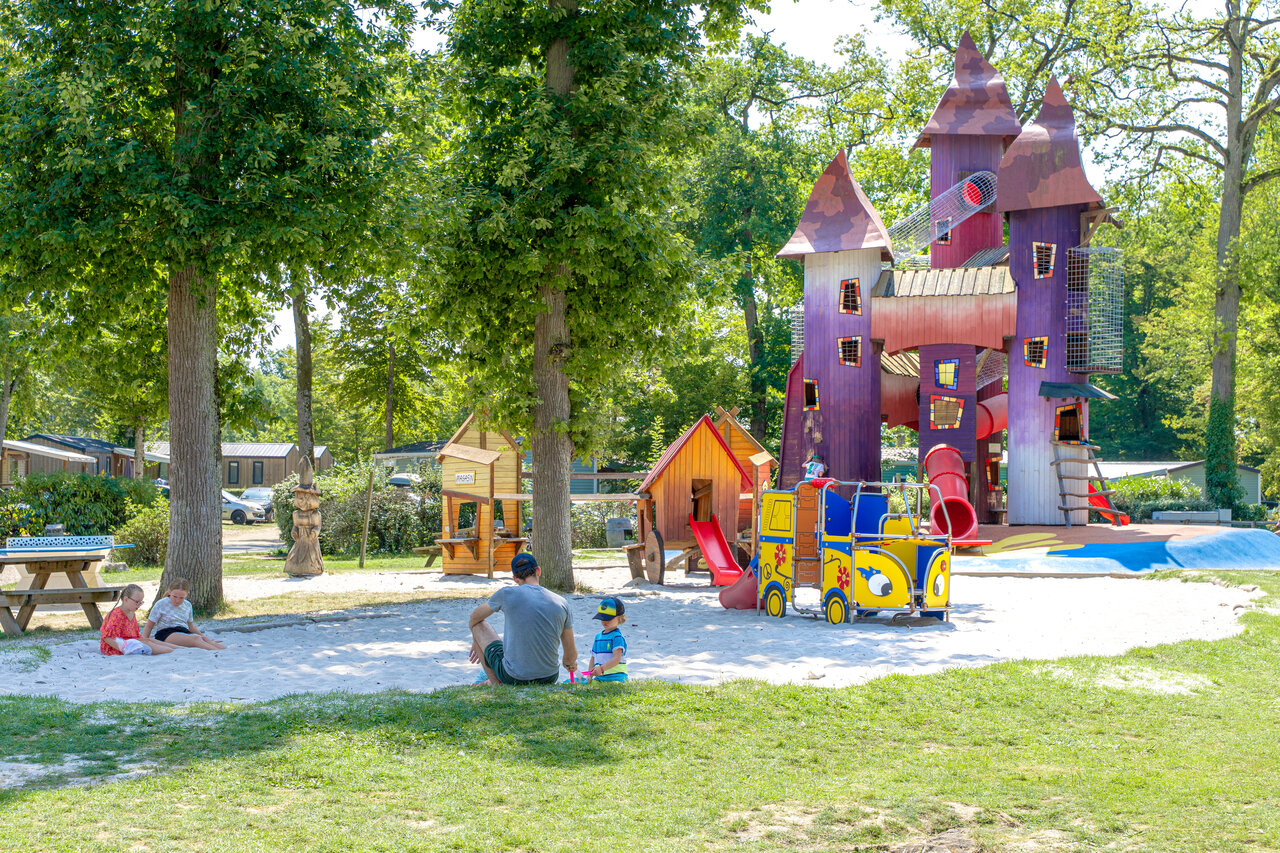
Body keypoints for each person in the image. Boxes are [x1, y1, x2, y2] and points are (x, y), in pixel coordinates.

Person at [468, 553, 577, 685]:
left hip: (513, 677)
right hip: (549, 677)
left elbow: (474, 618)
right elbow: (570, 657)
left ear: (515, 578)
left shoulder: (506, 594)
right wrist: (570, 663)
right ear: (538, 571)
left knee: (478, 625)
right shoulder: (562, 602)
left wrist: (477, 640)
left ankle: (497, 684)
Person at [143, 578, 227, 650]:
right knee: (196, 639)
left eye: (181, 598)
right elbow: (149, 625)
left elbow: (191, 627)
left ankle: (224, 649)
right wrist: (144, 640)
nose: (177, 600)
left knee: (201, 638)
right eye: (174, 596)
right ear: (169, 592)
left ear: (187, 595)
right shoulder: (161, 604)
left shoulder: (187, 605)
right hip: (166, 633)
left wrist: (206, 638)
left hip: (183, 631)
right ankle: (217, 651)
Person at [101, 584, 178, 656]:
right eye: (137, 602)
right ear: (126, 599)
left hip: (131, 642)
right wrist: (124, 649)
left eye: (141, 602)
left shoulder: (131, 613)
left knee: (150, 640)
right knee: (147, 644)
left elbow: (136, 636)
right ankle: (171, 652)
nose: (139, 605)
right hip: (115, 647)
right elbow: (107, 637)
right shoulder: (116, 615)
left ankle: (179, 649)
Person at [587, 597, 628, 683]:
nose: (605, 621)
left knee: (614, 687)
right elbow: (593, 658)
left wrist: (601, 669)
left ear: (619, 618)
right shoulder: (598, 637)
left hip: (617, 677)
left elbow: (617, 658)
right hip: (601, 678)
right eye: (602, 618)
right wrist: (589, 674)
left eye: (609, 618)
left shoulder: (617, 637)